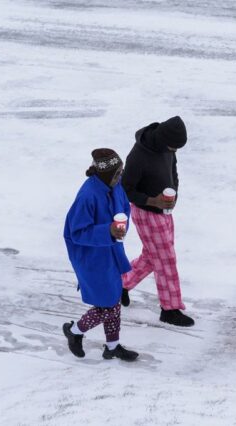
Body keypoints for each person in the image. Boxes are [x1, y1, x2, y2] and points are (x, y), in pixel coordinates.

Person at [62, 148, 139, 361]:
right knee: (107, 304)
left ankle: (112, 346)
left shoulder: (116, 186)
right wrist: (108, 231)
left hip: (110, 251)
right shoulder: (87, 196)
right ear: (105, 174)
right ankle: (75, 331)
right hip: (91, 258)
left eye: (121, 171)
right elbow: (77, 232)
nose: (120, 176)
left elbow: (124, 209)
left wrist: (117, 230)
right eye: (116, 173)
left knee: (112, 299)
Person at [120, 116, 194, 327]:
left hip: (164, 212)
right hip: (146, 212)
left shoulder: (169, 149)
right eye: (173, 146)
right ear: (162, 139)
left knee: (153, 256)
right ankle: (169, 310)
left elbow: (173, 173)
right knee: (166, 260)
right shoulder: (138, 156)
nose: (175, 151)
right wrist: (152, 200)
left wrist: (174, 195)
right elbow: (126, 189)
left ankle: (121, 284)